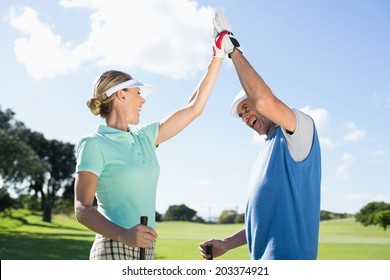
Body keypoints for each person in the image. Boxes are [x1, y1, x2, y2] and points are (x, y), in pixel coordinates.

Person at [74, 27, 229, 259]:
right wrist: (123, 235)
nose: (143, 100)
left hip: (146, 250)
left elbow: (194, 108)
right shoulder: (94, 144)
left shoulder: (144, 137)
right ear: (121, 95)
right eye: (138, 92)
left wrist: (217, 55)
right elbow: (82, 208)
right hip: (113, 247)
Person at [199, 12, 322, 260]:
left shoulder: (300, 130)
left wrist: (232, 49)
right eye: (241, 115)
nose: (244, 118)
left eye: (247, 108)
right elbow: (263, 218)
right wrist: (226, 243)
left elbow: (265, 101)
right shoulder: (266, 149)